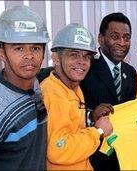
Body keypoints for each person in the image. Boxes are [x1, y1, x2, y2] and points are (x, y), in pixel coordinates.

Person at [0, 5, 50, 170]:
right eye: (19, 48)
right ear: (1, 53)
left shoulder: (34, 83)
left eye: (35, 47)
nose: (29, 56)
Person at [40, 23, 113, 170]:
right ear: (56, 58)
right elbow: (58, 150)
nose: (81, 62)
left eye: (86, 56)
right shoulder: (54, 94)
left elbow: (71, 126)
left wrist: (90, 118)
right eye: (73, 55)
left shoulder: (74, 87)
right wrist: (97, 132)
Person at [80, 12, 137, 171]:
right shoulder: (85, 68)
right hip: (94, 157)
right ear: (100, 39)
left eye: (126, 38)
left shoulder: (131, 72)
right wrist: (92, 115)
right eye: (115, 36)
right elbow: (74, 108)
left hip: (123, 157)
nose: (122, 43)